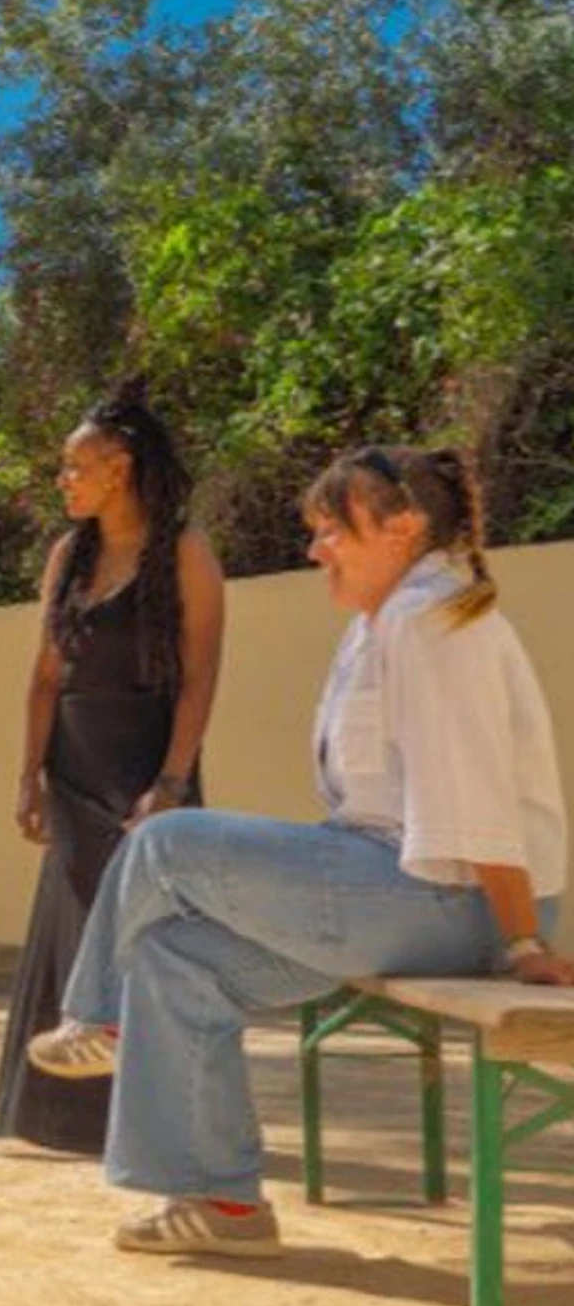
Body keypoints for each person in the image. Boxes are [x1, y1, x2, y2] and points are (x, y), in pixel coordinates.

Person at [28, 444, 574, 1257]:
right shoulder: (383, 623)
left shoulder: (436, 622)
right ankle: (223, 1204)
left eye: (332, 530)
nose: (315, 549)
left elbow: (478, 801)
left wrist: (523, 941)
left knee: (166, 841)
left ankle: (98, 1018)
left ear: (403, 527)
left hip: (451, 901)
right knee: (177, 959)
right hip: (394, 889)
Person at [0, 385, 225, 1153]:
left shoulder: (183, 552)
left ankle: (156, 1117)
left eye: (75, 466)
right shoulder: (69, 555)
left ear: (118, 468)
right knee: (75, 930)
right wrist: (29, 776)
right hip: (74, 768)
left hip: (148, 768)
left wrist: (172, 783)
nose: (64, 479)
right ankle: (59, 1119)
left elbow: (200, 678)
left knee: (148, 940)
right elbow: (43, 677)